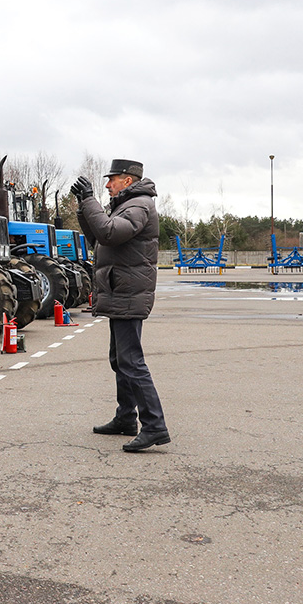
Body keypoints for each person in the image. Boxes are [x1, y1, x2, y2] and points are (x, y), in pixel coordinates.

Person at [70, 160, 170, 452]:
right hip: (121, 290)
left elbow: (110, 233)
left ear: (127, 180)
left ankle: (154, 426)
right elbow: (98, 239)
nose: (107, 184)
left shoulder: (138, 205)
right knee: (120, 359)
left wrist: (90, 200)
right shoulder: (127, 204)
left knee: (131, 362)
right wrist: (82, 207)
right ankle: (126, 418)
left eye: (111, 179)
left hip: (128, 291)